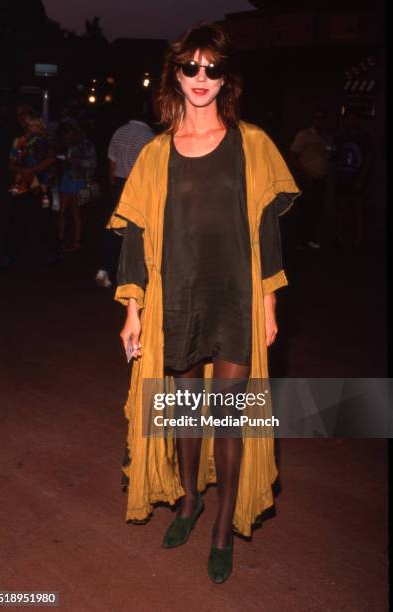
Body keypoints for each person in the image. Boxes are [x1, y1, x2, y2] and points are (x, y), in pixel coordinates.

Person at [109, 23, 299, 583]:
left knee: (229, 417)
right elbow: (135, 236)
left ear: (226, 79)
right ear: (175, 74)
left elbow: (267, 232)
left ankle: (222, 527)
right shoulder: (156, 152)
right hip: (179, 296)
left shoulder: (253, 144)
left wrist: (268, 303)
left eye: (212, 68)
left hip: (236, 295)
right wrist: (132, 308)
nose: (200, 78)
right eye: (190, 67)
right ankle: (189, 501)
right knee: (186, 410)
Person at [95, 112, 154, 287]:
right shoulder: (149, 137)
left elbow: (111, 161)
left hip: (120, 184)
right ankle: (136, 275)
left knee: (115, 226)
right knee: (140, 230)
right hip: (139, 187)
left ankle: (103, 269)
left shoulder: (119, 132)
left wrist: (113, 184)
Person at [1, 110, 57, 268]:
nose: (36, 127)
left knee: (45, 221)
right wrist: (22, 171)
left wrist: (31, 170)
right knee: (15, 222)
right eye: (33, 124)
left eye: (38, 124)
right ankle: (9, 255)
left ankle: (53, 251)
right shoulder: (18, 141)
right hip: (21, 187)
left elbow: (51, 160)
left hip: (40, 187)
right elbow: (10, 164)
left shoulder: (45, 141)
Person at [289, 109, 332, 249]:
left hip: (321, 179)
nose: (319, 121)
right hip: (307, 179)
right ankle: (298, 240)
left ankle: (310, 238)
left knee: (316, 210)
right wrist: (304, 174)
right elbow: (293, 155)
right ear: (313, 120)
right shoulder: (304, 135)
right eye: (316, 118)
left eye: (322, 118)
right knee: (304, 210)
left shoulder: (327, 137)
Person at [334, 110, 373, 249]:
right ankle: (339, 238)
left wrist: (361, 179)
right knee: (341, 207)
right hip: (342, 177)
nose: (352, 121)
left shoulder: (364, 137)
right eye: (349, 119)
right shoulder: (342, 136)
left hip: (356, 178)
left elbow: (368, 159)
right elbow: (336, 155)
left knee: (358, 209)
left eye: (354, 119)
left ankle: (359, 240)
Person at [57, 123, 96, 252]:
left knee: (75, 212)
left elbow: (92, 163)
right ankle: (60, 239)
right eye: (64, 135)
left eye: (68, 134)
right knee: (61, 211)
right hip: (67, 178)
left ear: (73, 132)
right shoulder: (66, 143)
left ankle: (77, 241)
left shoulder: (86, 144)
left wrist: (75, 161)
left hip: (78, 180)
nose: (66, 136)